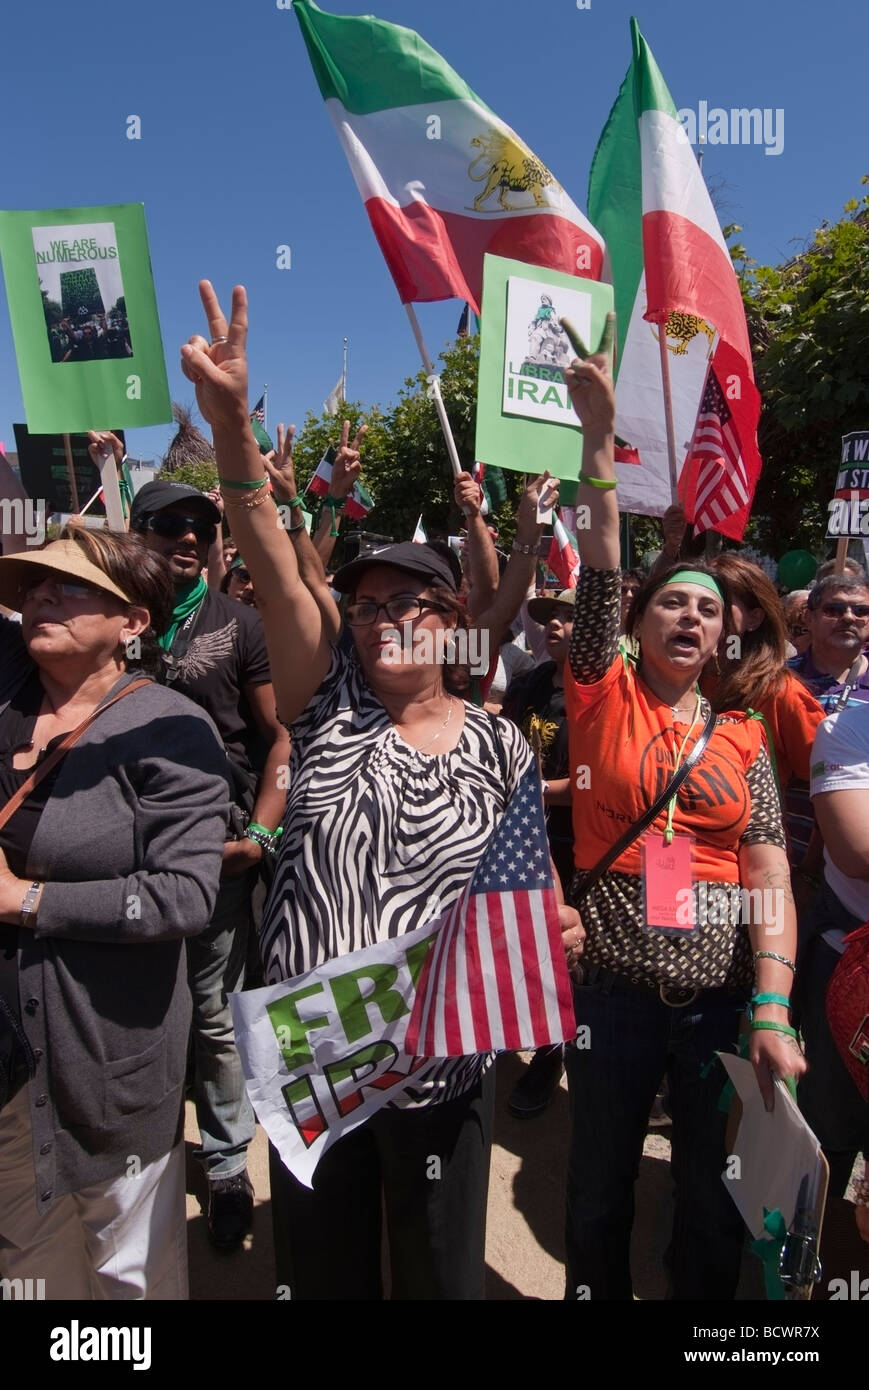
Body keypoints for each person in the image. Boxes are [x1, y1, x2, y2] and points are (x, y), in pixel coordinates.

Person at [177, 279, 582, 1299]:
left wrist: (549, 926)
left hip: (442, 1069)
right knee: (326, 1278)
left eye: (408, 600)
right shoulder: (322, 703)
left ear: (450, 621)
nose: (381, 617)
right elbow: (274, 559)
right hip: (317, 1061)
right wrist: (232, 431)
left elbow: (522, 889)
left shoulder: (495, 743)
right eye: (363, 603)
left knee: (441, 1275)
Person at [559, 318, 805, 1300]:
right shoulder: (595, 684)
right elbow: (601, 560)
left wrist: (772, 1001)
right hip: (610, 1000)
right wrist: (595, 444)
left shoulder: (741, 731)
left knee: (711, 1197)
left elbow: (767, 871)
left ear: (722, 635)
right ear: (639, 618)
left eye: (707, 608)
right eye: (671, 601)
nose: (689, 614)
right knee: (596, 1192)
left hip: (715, 998)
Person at [0, 525, 230, 1298]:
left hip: (106, 1068)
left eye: (70, 587)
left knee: (126, 1282)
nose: (41, 597)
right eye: (34, 585)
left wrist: (26, 901)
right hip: (6, 1068)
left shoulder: (170, 727)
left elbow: (185, 895)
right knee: (28, 1273)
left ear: (133, 623)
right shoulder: (3, 704)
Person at [130, 479, 290, 1250]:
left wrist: (258, 837)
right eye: (169, 523)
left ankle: (226, 1166)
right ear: (137, 531)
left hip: (216, 858)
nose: (188, 536)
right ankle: (144, 1159)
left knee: (216, 1019)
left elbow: (279, 740)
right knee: (137, 1016)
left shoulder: (241, 623)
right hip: (115, 862)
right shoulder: (110, 618)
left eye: (202, 525)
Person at [502, 586, 576, 1118]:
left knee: (561, 954)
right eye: (549, 618)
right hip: (523, 835)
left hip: (579, 846)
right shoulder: (528, 682)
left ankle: (549, 1058)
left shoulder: (608, 693)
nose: (554, 626)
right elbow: (505, 751)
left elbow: (596, 782)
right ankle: (508, 1028)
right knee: (516, 940)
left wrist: (542, 791)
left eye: (568, 618)